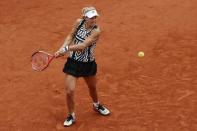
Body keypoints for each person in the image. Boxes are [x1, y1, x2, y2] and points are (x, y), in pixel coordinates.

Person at [54, 6, 110, 127]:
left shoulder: (96, 31)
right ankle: (71, 115)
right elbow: (70, 36)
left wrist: (66, 48)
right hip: (73, 62)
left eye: (95, 17)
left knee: (92, 88)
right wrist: (61, 48)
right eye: (91, 17)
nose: (94, 19)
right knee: (69, 91)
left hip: (88, 64)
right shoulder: (78, 23)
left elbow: (83, 45)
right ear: (84, 17)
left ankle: (96, 105)